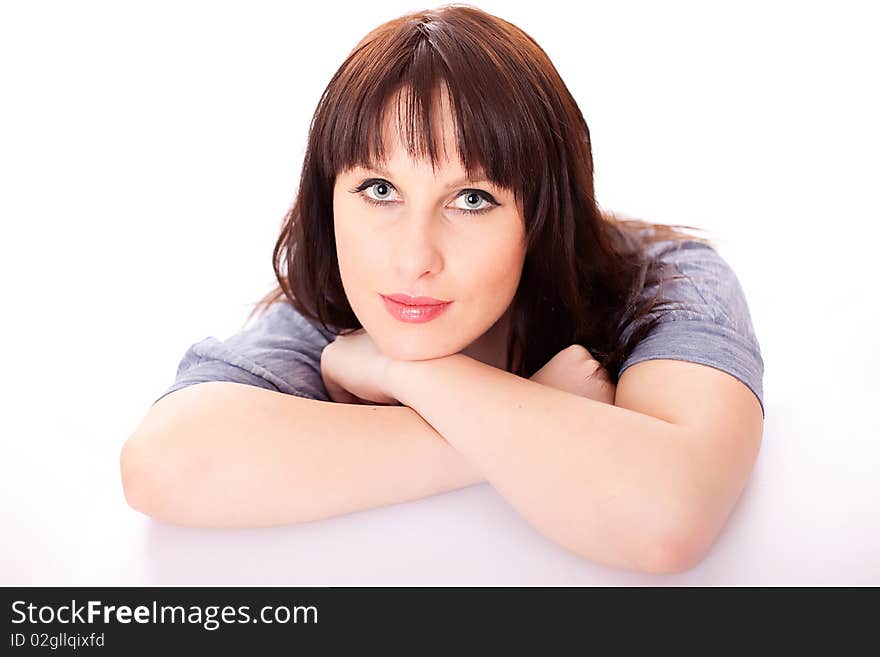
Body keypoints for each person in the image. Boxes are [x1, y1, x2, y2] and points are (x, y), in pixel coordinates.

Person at [121, 5, 764, 575]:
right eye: (379, 191)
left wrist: (402, 373)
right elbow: (163, 466)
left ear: (544, 218)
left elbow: (665, 519)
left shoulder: (666, 278)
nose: (411, 260)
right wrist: (520, 414)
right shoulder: (335, 303)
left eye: (472, 199)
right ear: (328, 201)